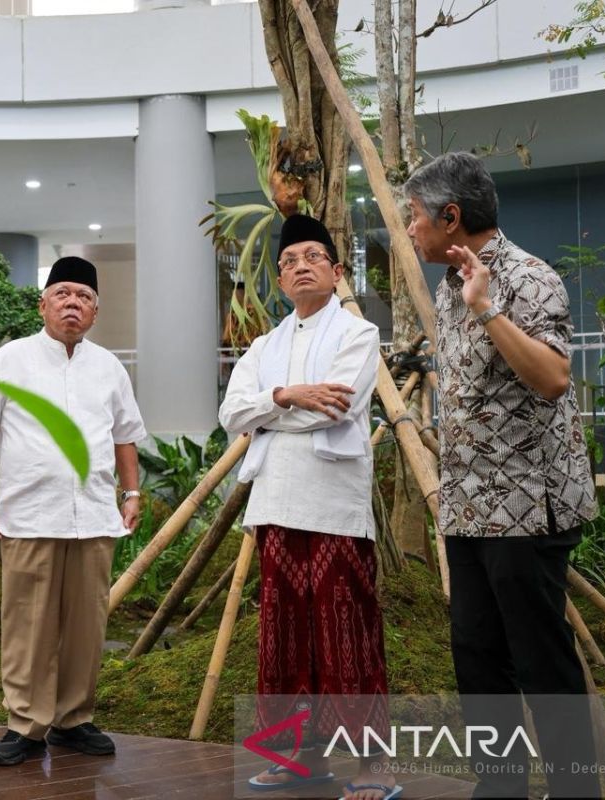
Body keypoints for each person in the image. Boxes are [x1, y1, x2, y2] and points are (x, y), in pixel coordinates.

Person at [404, 151, 599, 799]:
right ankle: (502, 786)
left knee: (542, 662)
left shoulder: (529, 279)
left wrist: (487, 308)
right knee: (477, 657)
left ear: (450, 217)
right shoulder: (447, 284)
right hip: (468, 508)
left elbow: (551, 379)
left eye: (415, 217)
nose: (409, 230)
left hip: (528, 507)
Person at [218, 216, 398, 800]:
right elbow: (232, 414)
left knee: (347, 634)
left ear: (336, 271)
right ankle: (301, 761)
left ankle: (375, 766)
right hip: (275, 503)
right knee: (284, 640)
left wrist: (267, 410)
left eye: (313, 256)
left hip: (334, 508)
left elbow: (338, 408)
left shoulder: (358, 334)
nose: (301, 265)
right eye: (290, 258)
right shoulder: (265, 346)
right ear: (279, 276)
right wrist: (288, 395)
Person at [0, 256, 146, 767]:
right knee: (28, 623)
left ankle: (73, 719)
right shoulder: (10, 360)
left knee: (87, 624)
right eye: (63, 293)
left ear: (95, 312)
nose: (73, 303)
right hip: (28, 515)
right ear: (43, 303)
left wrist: (130, 494)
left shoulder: (109, 367)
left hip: (92, 516)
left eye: (84, 297)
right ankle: (25, 724)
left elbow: (125, 436)